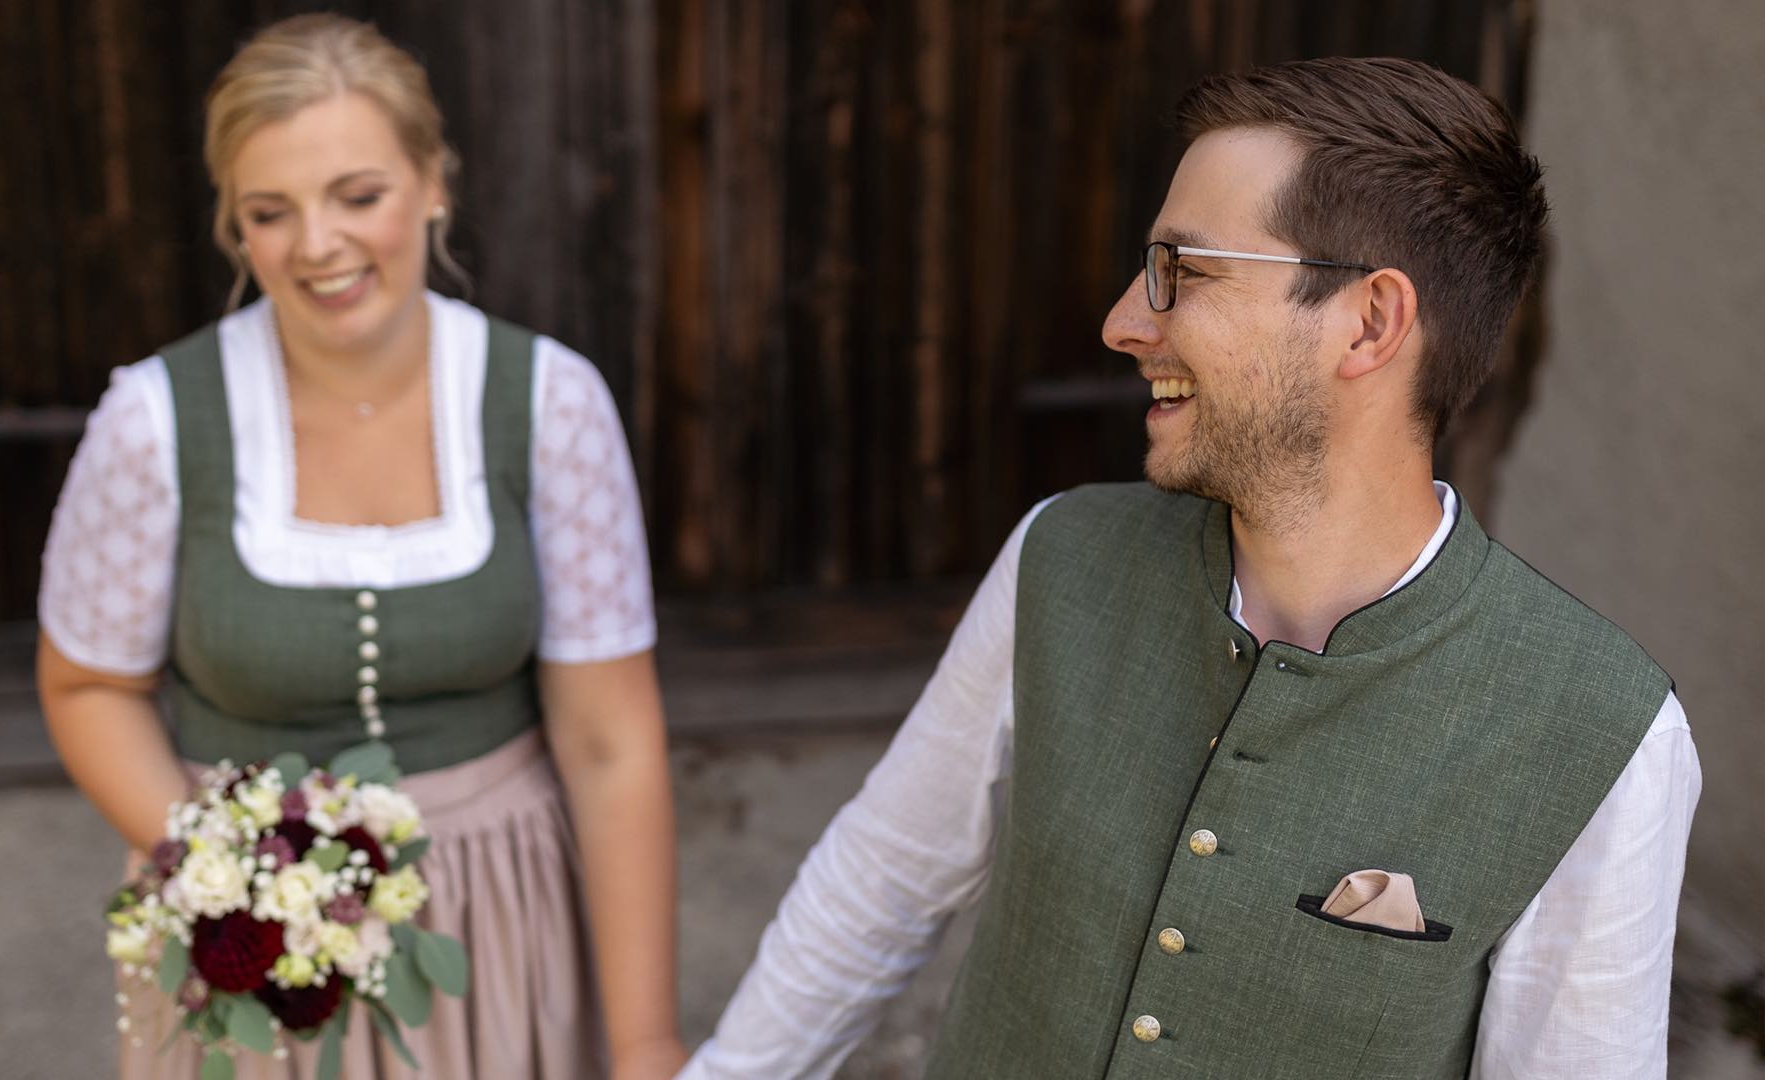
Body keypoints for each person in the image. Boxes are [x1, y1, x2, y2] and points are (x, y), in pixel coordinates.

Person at [681, 57, 1700, 1079]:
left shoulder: (1604, 732)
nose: (1125, 322)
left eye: (1184, 269)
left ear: (1370, 322)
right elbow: (881, 883)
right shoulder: (1061, 554)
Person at [36, 14, 687, 1079]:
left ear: (435, 183)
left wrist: (649, 1040)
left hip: (504, 911)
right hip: (246, 951)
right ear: (235, 230)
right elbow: (86, 688)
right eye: (270, 212)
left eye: (359, 195)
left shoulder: (551, 403)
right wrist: (231, 883)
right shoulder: (155, 421)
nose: (320, 245)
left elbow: (612, 743)